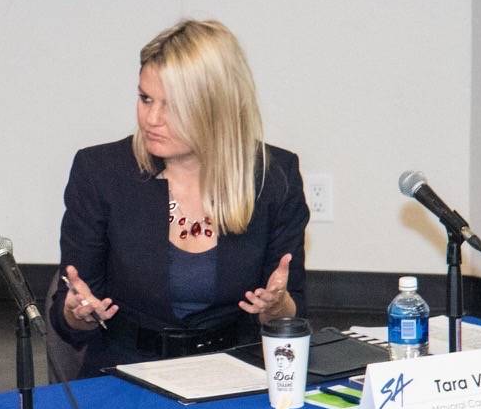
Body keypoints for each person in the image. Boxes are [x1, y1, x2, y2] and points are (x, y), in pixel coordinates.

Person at [48, 19, 309, 379]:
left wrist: (277, 307)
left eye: (171, 106)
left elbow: (292, 312)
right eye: (145, 98)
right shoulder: (100, 172)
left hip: (237, 372)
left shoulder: (273, 176)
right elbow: (68, 318)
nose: (151, 118)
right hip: (126, 373)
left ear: (216, 107)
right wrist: (77, 312)